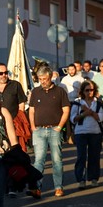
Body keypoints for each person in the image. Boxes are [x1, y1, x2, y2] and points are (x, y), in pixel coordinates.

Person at [28, 66, 70, 198]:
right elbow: (31, 110)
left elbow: (66, 110)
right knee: (38, 161)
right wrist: (33, 126)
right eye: (40, 79)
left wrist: (59, 127)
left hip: (54, 129)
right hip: (39, 130)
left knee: (57, 160)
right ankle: (36, 188)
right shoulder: (35, 92)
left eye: (45, 79)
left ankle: (58, 187)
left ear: (51, 77)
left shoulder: (60, 91)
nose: (42, 81)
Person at [70, 81, 103, 189]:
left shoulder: (98, 103)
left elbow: (101, 117)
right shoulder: (77, 103)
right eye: (87, 90)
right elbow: (73, 119)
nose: (89, 92)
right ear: (82, 91)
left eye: (92, 90)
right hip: (81, 132)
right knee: (81, 156)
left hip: (95, 132)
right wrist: (84, 114)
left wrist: (89, 112)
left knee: (94, 156)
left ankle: (94, 178)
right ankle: (81, 180)